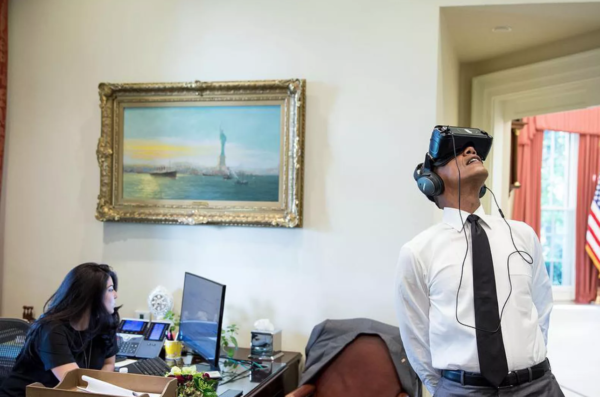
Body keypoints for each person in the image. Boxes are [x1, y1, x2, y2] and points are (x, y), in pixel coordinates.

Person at [395, 126, 563, 396]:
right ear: (431, 181)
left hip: (537, 386)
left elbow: (541, 307)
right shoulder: (417, 252)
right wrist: (450, 388)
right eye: (457, 153)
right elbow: (416, 338)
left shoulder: (523, 235)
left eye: (473, 149)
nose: (471, 151)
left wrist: (526, 366)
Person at [0, 263, 120, 397]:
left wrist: (101, 388)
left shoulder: (104, 324)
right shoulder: (52, 329)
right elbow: (74, 383)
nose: (116, 295)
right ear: (90, 296)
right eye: (110, 289)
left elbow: (109, 363)